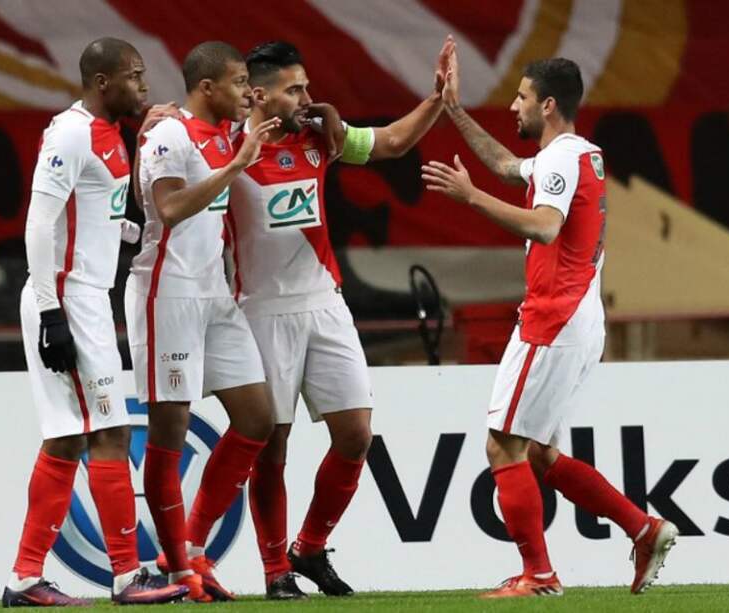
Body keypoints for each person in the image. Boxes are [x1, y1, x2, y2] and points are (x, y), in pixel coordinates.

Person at [422, 47, 679, 598]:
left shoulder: (562, 158)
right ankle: (643, 527)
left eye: (521, 97)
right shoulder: (574, 154)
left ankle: (538, 575)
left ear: (549, 103)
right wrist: (453, 109)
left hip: (554, 319)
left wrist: (469, 198)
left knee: (502, 447)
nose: (513, 106)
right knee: (539, 453)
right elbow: (503, 165)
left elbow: (543, 227)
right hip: (578, 316)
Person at [227, 37, 453, 600]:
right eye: (294, 88)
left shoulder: (319, 139)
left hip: (324, 303)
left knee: (355, 435)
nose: (307, 96)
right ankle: (275, 568)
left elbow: (393, 142)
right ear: (257, 93)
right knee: (270, 446)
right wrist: (162, 114)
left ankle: (309, 546)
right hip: (260, 308)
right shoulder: (226, 148)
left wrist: (438, 100)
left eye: (307, 86)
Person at [4, 38, 190, 607]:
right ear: (102, 82)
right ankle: (127, 576)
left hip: (84, 298)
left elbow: (107, 216)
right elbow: (39, 224)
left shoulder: (113, 135)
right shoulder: (70, 134)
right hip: (64, 297)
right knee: (110, 431)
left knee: (64, 438)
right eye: (135, 77)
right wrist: (52, 311)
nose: (145, 86)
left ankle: (24, 579)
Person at [125, 41, 281, 602]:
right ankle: (179, 574)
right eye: (239, 82)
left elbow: (269, 121)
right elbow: (167, 209)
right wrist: (235, 166)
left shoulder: (228, 133)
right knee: (169, 433)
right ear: (207, 87)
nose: (247, 91)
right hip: (167, 293)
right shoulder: (169, 135)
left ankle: (186, 548)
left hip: (213, 293)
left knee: (257, 418)